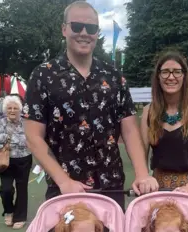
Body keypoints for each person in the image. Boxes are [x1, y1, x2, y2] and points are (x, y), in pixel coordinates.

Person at [24, 1, 157, 209]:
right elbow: (33, 136)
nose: (84, 33)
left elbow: (129, 130)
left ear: (97, 32)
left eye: (92, 28)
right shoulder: (44, 75)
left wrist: (142, 174)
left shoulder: (114, 77)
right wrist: (63, 181)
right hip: (66, 191)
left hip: (111, 187)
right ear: (64, 29)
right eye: (77, 26)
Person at [140, 51, 188, 211]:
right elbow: (141, 155)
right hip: (160, 187)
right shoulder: (149, 112)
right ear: (158, 77)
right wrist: (144, 177)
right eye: (165, 72)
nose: (171, 77)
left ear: (184, 76)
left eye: (176, 71)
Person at [0, 95, 32, 230]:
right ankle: (9, 211)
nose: (12, 110)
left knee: (22, 188)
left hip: (23, 159)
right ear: (5, 110)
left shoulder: (26, 123)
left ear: (20, 110)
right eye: (9, 108)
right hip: (5, 161)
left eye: (15, 108)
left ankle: (20, 217)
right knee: (6, 189)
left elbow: (33, 142)